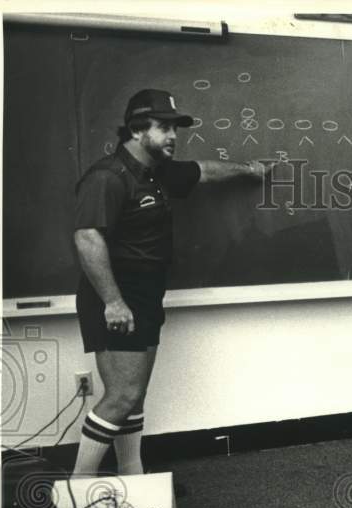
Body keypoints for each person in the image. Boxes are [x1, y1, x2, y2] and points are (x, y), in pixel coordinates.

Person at [72, 89, 271, 477]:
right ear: (136, 129)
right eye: (164, 128)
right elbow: (87, 237)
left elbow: (207, 171)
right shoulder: (108, 177)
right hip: (116, 295)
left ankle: (135, 480)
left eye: (174, 127)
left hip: (144, 294)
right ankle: (74, 493)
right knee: (122, 396)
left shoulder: (157, 171)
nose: (173, 136)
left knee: (134, 396)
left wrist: (250, 169)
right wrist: (113, 301)